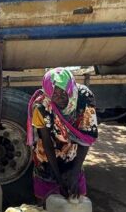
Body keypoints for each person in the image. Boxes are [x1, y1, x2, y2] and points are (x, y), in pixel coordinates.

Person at [27, 68, 98, 204]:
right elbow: (46, 143)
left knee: (76, 203)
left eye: (63, 92)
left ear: (71, 87)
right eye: (54, 94)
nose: (59, 98)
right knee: (46, 206)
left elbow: (86, 136)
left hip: (72, 154)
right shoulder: (41, 106)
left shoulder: (84, 98)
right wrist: (59, 179)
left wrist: (75, 173)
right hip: (47, 158)